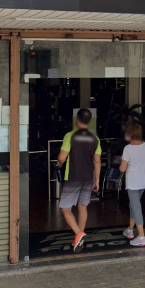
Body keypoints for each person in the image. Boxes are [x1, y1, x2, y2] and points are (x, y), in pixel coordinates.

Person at [56, 108, 101, 253]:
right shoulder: (95, 139)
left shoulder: (70, 136)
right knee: (83, 207)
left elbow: (62, 157)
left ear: (77, 120)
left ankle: (79, 234)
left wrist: (59, 163)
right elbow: (97, 161)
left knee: (65, 208)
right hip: (88, 177)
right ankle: (79, 239)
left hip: (73, 177)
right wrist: (97, 180)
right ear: (89, 121)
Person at [120, 122, 145, 247]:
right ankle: (130, 230)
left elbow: (122, 168)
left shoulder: (128, 149)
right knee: (134, 205)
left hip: (133, 181)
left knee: (136, 206)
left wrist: (127, 166)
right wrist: (140, 167)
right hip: (143, 180)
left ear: (129, 134)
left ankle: (141, 236)